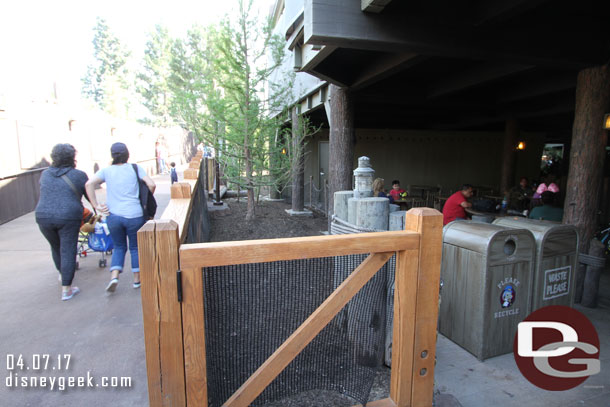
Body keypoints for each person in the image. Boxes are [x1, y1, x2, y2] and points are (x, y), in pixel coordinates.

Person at [85, 142, 156, 292]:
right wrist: (144, 199)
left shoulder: (106, 171)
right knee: (135, 247)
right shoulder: (135, 168)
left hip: (113, 215)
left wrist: (96, 205)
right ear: (127, 154)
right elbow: (151, 184)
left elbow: (89, 184)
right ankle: (137, 280)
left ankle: (114, 276)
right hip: (135, 214)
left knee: (118, 246)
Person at [35, 143, 88, 301]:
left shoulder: (45, 174)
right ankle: (67, 289)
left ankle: (62, 275)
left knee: (56, 247)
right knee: (67, 250)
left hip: (43, 216)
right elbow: (88, 193)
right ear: (72, 157)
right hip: (68, 216)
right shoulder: (79, 175)